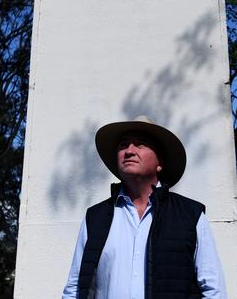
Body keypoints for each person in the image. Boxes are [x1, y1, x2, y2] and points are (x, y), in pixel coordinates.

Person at [62, 117, 227, 299]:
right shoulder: (95, 218)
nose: (129, 151)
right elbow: (75, 288)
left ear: (159, 163)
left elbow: (214, 290)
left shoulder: (190, 215)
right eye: (123, 145)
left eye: (140, 145)